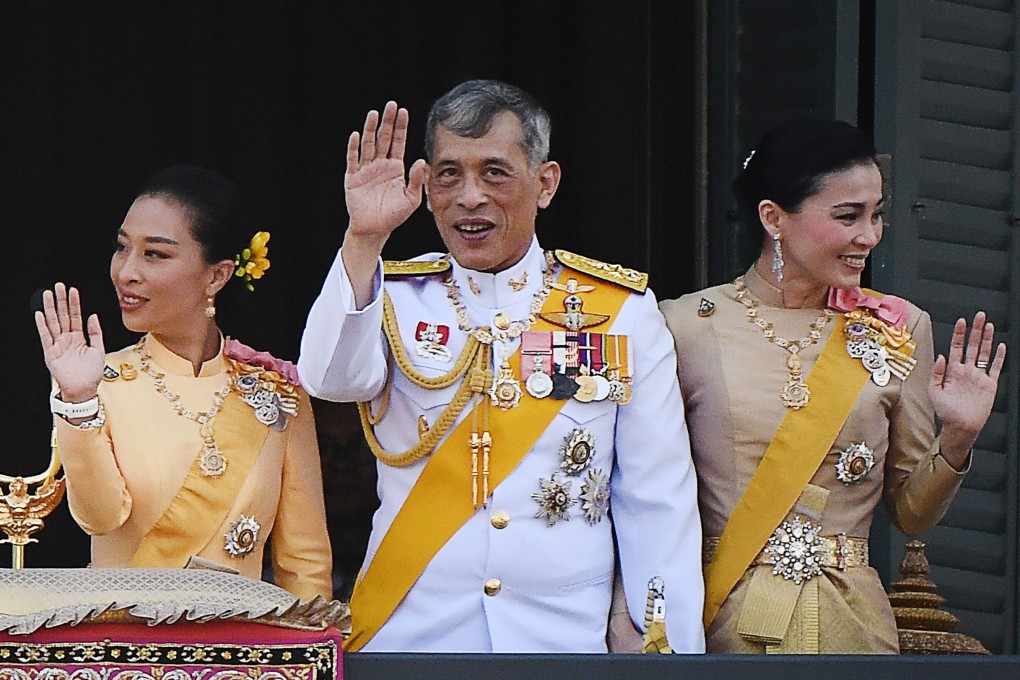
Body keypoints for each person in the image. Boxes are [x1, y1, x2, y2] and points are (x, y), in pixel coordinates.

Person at [297, 80, 703, 653]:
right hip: (412, 636)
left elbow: (656, 498)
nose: (469, 196)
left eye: (494, 172)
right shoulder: (390, 296)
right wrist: (364, 240)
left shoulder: (621, 312)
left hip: (563, 640)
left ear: (545, 184)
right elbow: (328, 380)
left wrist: (662, 643)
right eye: (448, 173)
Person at [659, 119, 1006, 653]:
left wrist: (958, 436)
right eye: (848, 216)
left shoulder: (898, 327)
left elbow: (912, 512)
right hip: (724, 621)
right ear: (774, 218)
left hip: (855, 627)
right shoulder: (684, 325)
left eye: (877, 214)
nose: (868, 236)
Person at [34, 165, 333, 602]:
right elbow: (99, 517)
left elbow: (305, 567)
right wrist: (78, 401)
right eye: (122, 248)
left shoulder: (276, 395)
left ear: (217, 276)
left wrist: (312, 657)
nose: (126, 273)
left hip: (236, 661)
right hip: (126, 654)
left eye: (154, 254)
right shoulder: (97, 381)